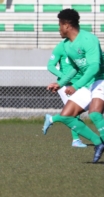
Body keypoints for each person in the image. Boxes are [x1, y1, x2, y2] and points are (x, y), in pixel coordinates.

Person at [43, 9, 104, 163]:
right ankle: (98, 143)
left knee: (95, 114)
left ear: (66, 25)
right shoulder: (68, 46)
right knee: (66, 116)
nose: (58, 29)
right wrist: (60, 83)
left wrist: (76, 86)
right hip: (88, 83)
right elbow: (76, 68)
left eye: (59, 25)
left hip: (101, 79)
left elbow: (94, 67)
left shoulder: (88, 39)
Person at [46, 38, 87, 147]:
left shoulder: (81, 47)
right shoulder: (60, 47)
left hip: (80, 84)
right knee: (74, 113)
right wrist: (64, 78)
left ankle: (51, 119)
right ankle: (76, 140)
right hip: (66, 85)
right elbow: (50, 65)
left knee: (84, 110)